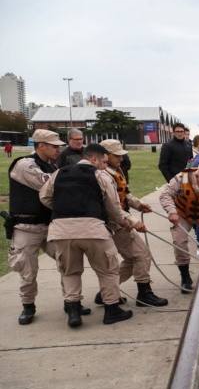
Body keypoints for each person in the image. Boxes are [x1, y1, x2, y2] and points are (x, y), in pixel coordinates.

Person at [40, 143, 134, 327]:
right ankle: (111, 309)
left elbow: (44, 197)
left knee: (70, 271)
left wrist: (64, 209)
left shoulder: (59, 173)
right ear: (94, 159)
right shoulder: (100, 176)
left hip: (61, 230)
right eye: (104, 162)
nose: (105, 166)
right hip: (93, 230)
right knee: (108, 270)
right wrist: (121, 221)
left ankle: (74, 312)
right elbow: (113, 208)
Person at [6, 129, 79, 324]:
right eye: (54, 146)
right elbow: (47, 186)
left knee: (67, 262)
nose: (58, 150)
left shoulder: (51, 166)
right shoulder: (24, 164)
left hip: (50, 226)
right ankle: (28, 306)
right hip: (26, 227)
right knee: (28, 271)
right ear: (40, 146)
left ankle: (71, 303)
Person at [97, 139, 168, 308]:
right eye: (117, 156)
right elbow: (110, 205)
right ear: (105, 156)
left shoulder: (115, 171)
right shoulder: (102, 175)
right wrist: (133, 221)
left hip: (120, 221)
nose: (121, 159)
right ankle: (144, 294)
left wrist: (138, 204)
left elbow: (124, 194)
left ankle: (106, 292)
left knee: (131, 260)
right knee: (142, 255)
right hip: (115, 224)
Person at [159, 163, 199, 293]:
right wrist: (172, 211)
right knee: (179, 243)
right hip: (182, 214)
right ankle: (185, 276)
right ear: (196, 175)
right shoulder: (181, 178)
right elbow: (165, 194)